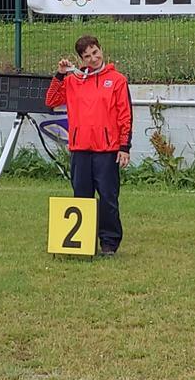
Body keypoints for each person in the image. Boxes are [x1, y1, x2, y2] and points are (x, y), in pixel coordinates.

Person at [45, 35, 133, 256]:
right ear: (81, 59)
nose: (93, 59)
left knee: (108, 198)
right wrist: (60, 74)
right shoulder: (73, 80)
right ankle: (83, 242)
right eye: (87, 56)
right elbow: (51, 101)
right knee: (82, 196)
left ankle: (109, 243)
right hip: (80, 149)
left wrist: (124, 147)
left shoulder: (117, 80)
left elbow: (125, 114)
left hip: (107, 150)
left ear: (101, 50)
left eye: (95, 53)